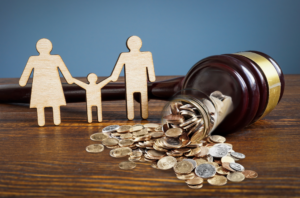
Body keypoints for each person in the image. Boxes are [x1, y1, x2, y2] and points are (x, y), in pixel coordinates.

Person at [19, 38, 73, 126]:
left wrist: (23, 81)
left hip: (42, 86)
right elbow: (64, 71)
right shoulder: (54, 58)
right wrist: (69, 79)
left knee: (44, 104)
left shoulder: (34, 59)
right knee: (52, 103)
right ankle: (51, 121)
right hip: (50, 85)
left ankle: (45, 122)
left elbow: (26, 73)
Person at [110, 36, 156, 120]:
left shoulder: (145, 55)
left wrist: (114, 77)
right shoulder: (144, 55)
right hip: (133, 81)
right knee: (135, 97)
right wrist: (152, 77)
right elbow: (150, 67)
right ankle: (135, 115)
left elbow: (149, 66)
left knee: (137, 97)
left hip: (138, 81)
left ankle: (139, 115)